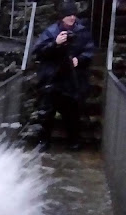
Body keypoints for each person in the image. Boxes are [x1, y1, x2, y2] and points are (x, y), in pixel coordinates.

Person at [33, 2, 95, 151]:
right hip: (52, 78)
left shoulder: (83, 32)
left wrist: (79, 60)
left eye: (74, 14)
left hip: (72, 80)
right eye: (69, 15)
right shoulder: (51, 32)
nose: (72, 17)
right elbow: (38, 52)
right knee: (47, 112)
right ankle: (44, 141)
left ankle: (74, 141)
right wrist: (55, 43)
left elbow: (90, 51)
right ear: (62, 17)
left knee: (72, 112)